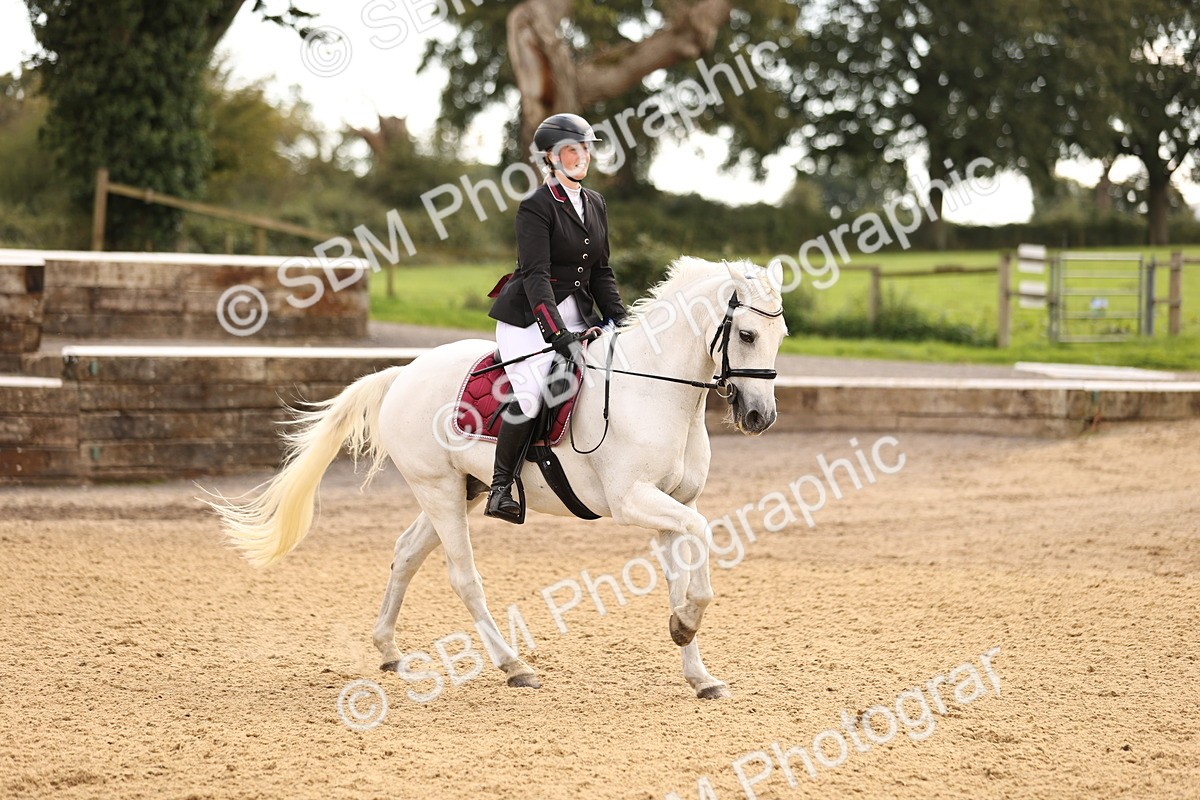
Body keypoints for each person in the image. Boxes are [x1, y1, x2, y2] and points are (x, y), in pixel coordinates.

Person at [483, 113, 628, 523]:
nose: (581, 156)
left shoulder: (596, 203)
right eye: (571, 150)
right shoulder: (536, 206)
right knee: (530, 393)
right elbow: (535, 276)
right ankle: (500, 486)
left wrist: (621, 319)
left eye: (585, 149)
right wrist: (556, 332)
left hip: (579, 314)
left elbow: (600, 272)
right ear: (551, 157)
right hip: (530, 319)